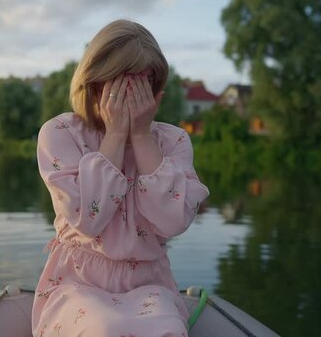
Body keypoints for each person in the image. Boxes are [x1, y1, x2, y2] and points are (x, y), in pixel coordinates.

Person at [32, 19, 210, 337]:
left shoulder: (173, 141)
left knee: (166, 328)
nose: (132, 98)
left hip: (149, 283)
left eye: (144, 86)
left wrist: (141, 137)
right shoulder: (60, 133)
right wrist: (114, 135)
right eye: (120, 86)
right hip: (78, 281)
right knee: (102, 328)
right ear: (95, 84)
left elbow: (172, 222)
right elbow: (88, 219)